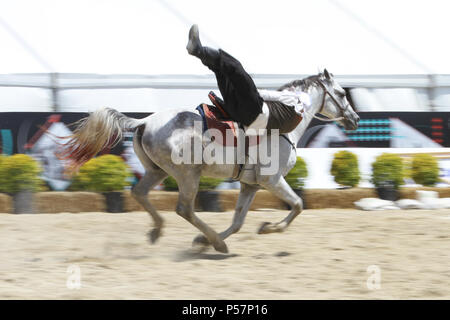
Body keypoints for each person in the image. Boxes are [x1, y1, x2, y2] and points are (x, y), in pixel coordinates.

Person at [186, 24, 310, 134]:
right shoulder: (291, 121)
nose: (292, 88)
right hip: (240, 115)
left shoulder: (294, 100)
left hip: (253, 112)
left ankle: (198, 50)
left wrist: (251, 92)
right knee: (223, 72)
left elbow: (269, 95)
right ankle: (199, 51)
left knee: (236, 68)